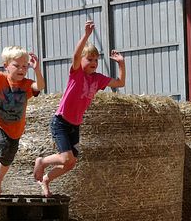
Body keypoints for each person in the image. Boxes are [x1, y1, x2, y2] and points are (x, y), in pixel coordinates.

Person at [32, 20, 126, 197]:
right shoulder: (76, 74)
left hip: (75, 125)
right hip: (60, 122)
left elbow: (120, 82)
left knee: (70, 163)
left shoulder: (98, 79)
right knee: (67, 158)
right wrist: (86, 35)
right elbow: (75, 56)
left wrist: (121, 64)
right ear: (81, 60)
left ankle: (46, 180)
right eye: (89, 59)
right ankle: (42, 161)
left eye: (96, 60)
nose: (94, 62)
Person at [0, 33, 45, 196]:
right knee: (0, 143)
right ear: (6, 65)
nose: (21, 69)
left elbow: (40, 86)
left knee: (7, 159)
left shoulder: (27, 84)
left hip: (15, 129)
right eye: (17, 65)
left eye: (24, 66)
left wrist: (37, 70)